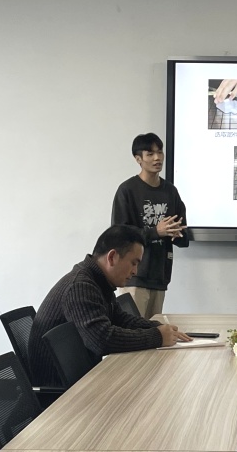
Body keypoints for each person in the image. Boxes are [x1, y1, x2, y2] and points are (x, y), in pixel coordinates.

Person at [27, 225, 192, 388]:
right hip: (60, 392)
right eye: (133, 263)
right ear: (112, 257)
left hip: (81, 379)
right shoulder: (80, 286)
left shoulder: (97, 281)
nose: (135, 271)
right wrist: (157, 336)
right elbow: (101, 340)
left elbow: (120, 319)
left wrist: (158, 328)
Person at [112, 133, 189, 318]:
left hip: (160, 276)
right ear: (138, 159)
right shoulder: (127, 190)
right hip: (134, 277)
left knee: (153, 331)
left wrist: (177, 234)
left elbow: (183, 234)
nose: (157, 158)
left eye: (160, 152)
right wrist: (156, 231)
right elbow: (119, 235)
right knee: (132, 330)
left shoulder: (170, 191)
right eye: (150, 154)